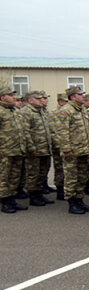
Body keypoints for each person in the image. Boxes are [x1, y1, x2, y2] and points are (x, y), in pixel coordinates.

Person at [55, 86, 89, 214]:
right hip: (72, 152)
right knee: (71, 177)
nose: (83, 96)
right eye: (80, 95)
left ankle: (79, 200)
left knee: (82, 177)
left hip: (84, 150)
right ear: (73, 97)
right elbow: (62, 132)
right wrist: (66, 150)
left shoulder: (82, 110)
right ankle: (72, 203)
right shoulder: (66, 110)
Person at [19, 91, 54, 206]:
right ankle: (33, 196)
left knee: (43, 172)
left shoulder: (41, 112)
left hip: (45, 149)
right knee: (33, 173)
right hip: (34, 150)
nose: (41, 100)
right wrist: (30, 148)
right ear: (30, 100)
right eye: (38, 99)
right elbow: (25, 132)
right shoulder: (26, 112)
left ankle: (39, 193)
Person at [0, 85, 29, 213]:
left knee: (14, 177)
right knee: (4, 177)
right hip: (4, 151)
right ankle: (5, 201)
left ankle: (12, 199)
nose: (14, 97)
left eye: (14, 95)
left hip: (17, 150)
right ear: (3, 97)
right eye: (10, 95)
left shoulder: (15, 111)